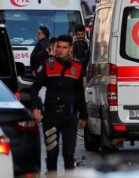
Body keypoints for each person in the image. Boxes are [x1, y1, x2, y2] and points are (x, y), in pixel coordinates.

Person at [31, 34, 87, 172]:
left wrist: (84, 116)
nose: (61, 50)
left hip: (69, 116)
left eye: (64, 48)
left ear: (70, 48)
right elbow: (35, 88)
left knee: (68, 153)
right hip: (51, 117)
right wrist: (35, 108)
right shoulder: (47, 65)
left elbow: (80, 91)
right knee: (52, 155)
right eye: (59, 47)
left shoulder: (78, 66)